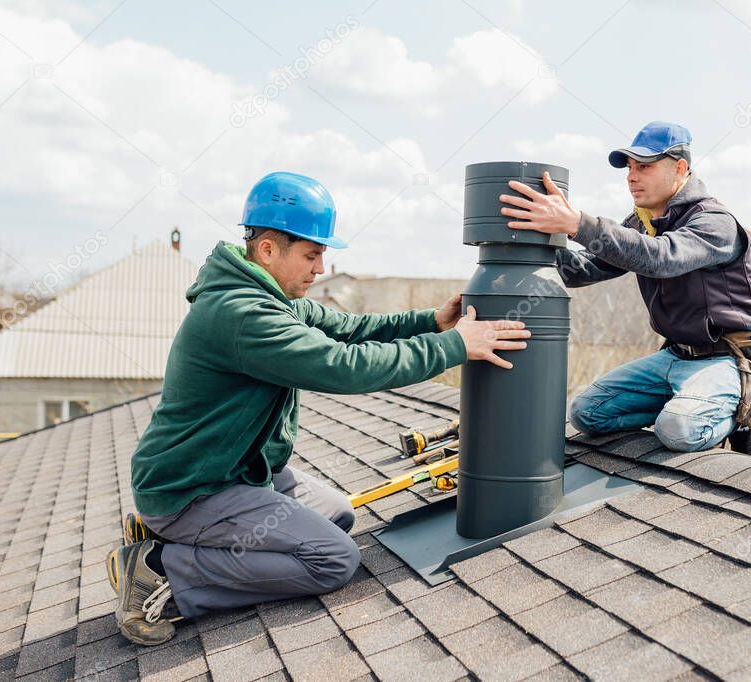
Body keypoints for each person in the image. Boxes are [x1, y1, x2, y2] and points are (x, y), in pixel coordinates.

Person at [106, 171, 529, 646]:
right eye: (312, 254)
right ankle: (162, 570)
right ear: (268, 249)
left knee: (340, 515)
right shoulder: (245, 316)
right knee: (333, 560)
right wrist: (453, 347)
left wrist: (431, 321)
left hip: (237, 473)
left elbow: (346, 329)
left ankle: (175, 537)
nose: (321, 267)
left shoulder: (269, 296)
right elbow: (344, 366)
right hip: (194, 487)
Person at [499, 121, 751, 453]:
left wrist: (577, 223)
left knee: (680, 430)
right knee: (586, 414)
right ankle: (690, 405)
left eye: (644, 166)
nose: (631, 176)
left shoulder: (714, 222)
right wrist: (520, 246)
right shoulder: (642, 223)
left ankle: (741, 418)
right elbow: (584, 268)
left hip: (731, 359)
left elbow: (661, 257)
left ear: (680, 168)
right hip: (677, 354)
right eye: (629, 167)